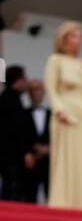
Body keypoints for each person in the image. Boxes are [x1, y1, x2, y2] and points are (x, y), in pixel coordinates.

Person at [43, 21, 82, 210]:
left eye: (80, 36)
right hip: (64, 114)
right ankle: (62, 200)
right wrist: (60, 110)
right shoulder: (55, 60)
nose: (78, 40)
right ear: (64, 39)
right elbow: (51, 88)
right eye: (74, 36)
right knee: (64, 158)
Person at [0, 65, 33, 201]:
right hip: (12, 154)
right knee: (13, 189)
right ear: (18, 80)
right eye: (25, 78)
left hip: (8, 153)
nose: (27, 81)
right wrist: (26, 152)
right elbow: (18, 128)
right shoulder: (12, 99)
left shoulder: (7, 97)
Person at [22, 78, 51, 204]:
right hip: (31, 160)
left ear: (44, 91)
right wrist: (32, 149)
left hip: (50, 161)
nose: (35, 92)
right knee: (29, 195)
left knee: (51, 195)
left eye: (38, 89)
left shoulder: (53, 114)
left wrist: (49, 149)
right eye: (32, 89)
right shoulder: (22, 114)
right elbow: (20, 136)